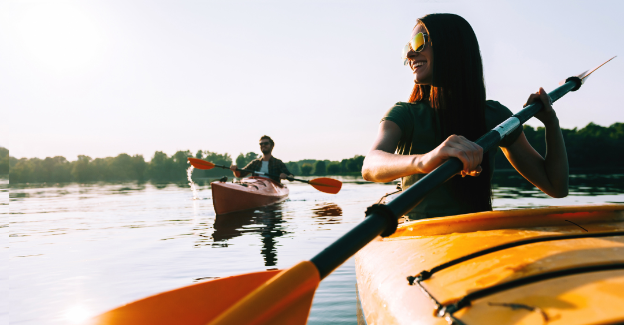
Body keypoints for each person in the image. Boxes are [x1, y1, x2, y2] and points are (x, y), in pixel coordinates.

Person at [361, 13, 569, 220]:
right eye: (408, 48)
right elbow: (370, 166)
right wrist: (425, 160)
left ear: (451, 47)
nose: (410, 55)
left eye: (419, 43)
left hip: (476, 234)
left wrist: (551, 122)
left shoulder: (496, 117)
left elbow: (556, 187)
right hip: (417, 238)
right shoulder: (404, 114)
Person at [230, 135, 294, 184]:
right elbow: (240, 174)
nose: (263, 145)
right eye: (261, 144)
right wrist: (235, 170)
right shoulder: (255, 163)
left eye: (266, 143)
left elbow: (291, 176)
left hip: (271, 188)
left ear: (272, 146)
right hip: (256, 186)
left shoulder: (278, 163)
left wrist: (286, 176)